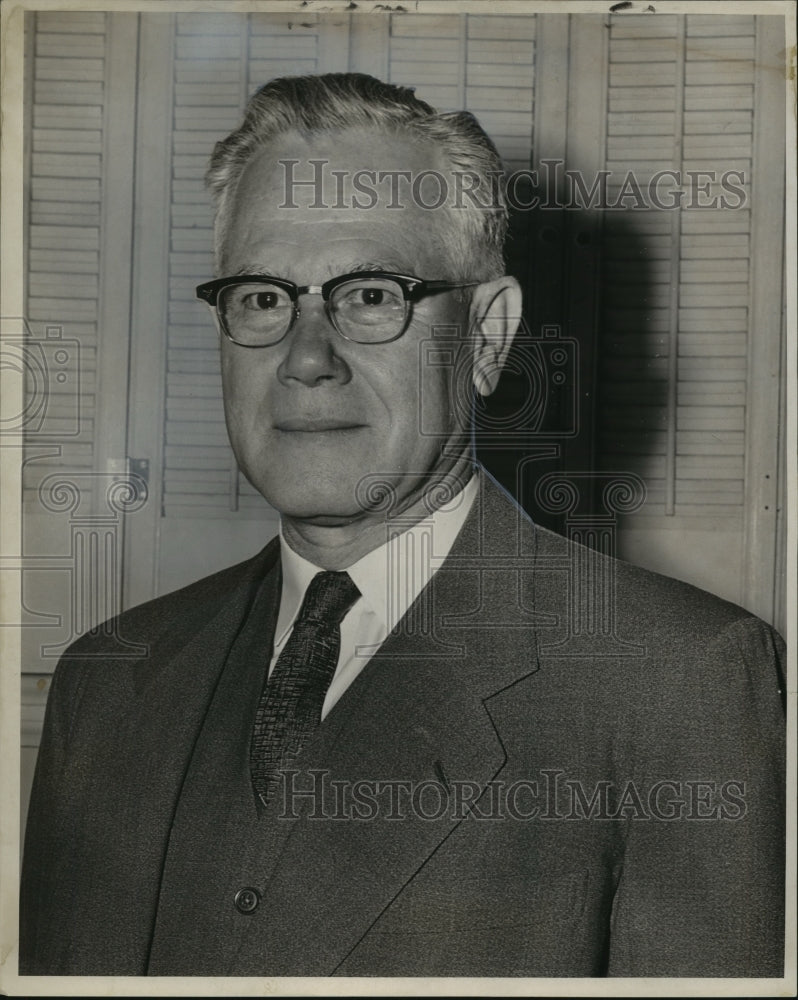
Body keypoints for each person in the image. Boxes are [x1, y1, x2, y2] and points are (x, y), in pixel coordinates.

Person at [20, 73, 785, 978]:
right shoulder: (110, 681)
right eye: (264, 298)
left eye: (372, 295)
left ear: (490, 336)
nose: (306, 359)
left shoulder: (678, 683)